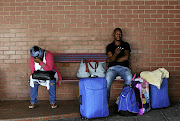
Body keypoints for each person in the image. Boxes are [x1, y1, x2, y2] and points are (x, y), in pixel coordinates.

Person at [105, 28, 132, 103]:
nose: (118, 35)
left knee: (129, 79)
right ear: (113, 35)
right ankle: (105, 104)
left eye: (120, 34)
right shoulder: (110, 46)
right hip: (112, 69)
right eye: (117, 34)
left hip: (124, 68)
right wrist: (116, 54)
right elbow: (110, 59)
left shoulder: (125, 45)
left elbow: (126, 57)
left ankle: (123, 100)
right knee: (106, 82)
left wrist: (114, 59)